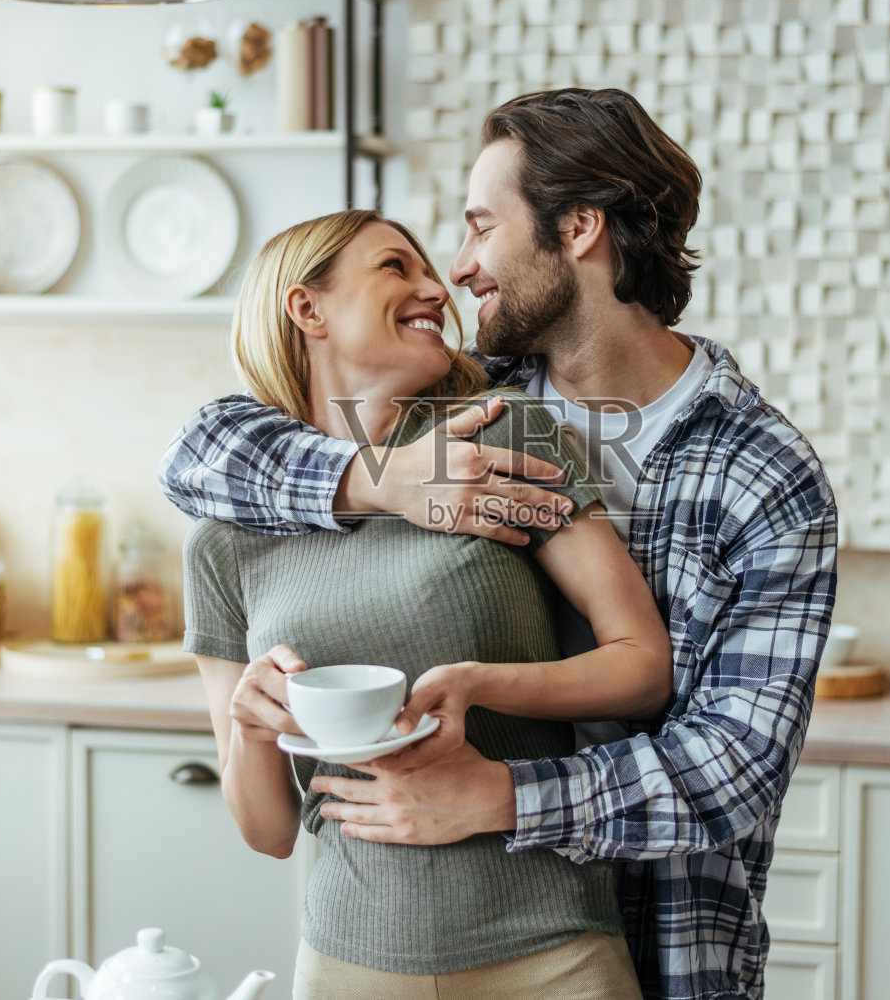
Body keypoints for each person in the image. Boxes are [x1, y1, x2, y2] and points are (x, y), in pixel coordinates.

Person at [162, 88, 838, 1000]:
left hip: (659, 931)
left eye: (481, 227)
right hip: (385, 933)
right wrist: (377, 481)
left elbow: (734, 766)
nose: (457, 270)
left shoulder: (762, 475)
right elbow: (197, 452)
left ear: (580, 229)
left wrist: (498, 796)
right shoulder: (465, 401)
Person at [182, 207, 677, 997]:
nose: (436, 289)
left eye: (427, 271)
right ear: (307, 308)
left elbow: (643, 666)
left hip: (553, 951)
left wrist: (479, 685)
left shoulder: (499, 434)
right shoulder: (225, 537)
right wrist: (250, 724)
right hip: (349, 961)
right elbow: (267, 833)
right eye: (395, 267)